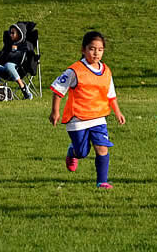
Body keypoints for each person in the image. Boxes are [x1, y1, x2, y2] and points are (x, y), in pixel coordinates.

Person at [49, 31, 126, 189]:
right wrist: (55, 112)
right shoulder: (75, 71)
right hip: (77, 119)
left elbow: (111, 94)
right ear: (83, 50)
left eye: (100, 49)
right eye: (92, 49)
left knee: (102, 148)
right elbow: (58, 90)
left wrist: (118, 112)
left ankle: (102, 182)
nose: (96, 53)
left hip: (98, 117)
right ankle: (73, 152)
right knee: (82, 152)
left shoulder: (106, 71)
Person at [0, 22, 33, 99]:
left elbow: (23, 57)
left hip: (20, 69)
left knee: (9, 65)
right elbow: (4, 55)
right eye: (10, 33)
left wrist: (15, 51)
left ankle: (24, 88)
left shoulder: (25, 45)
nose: (10, 35)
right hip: (6, 69)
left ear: (19, 34)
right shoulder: (9, 44)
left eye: (13, 33)